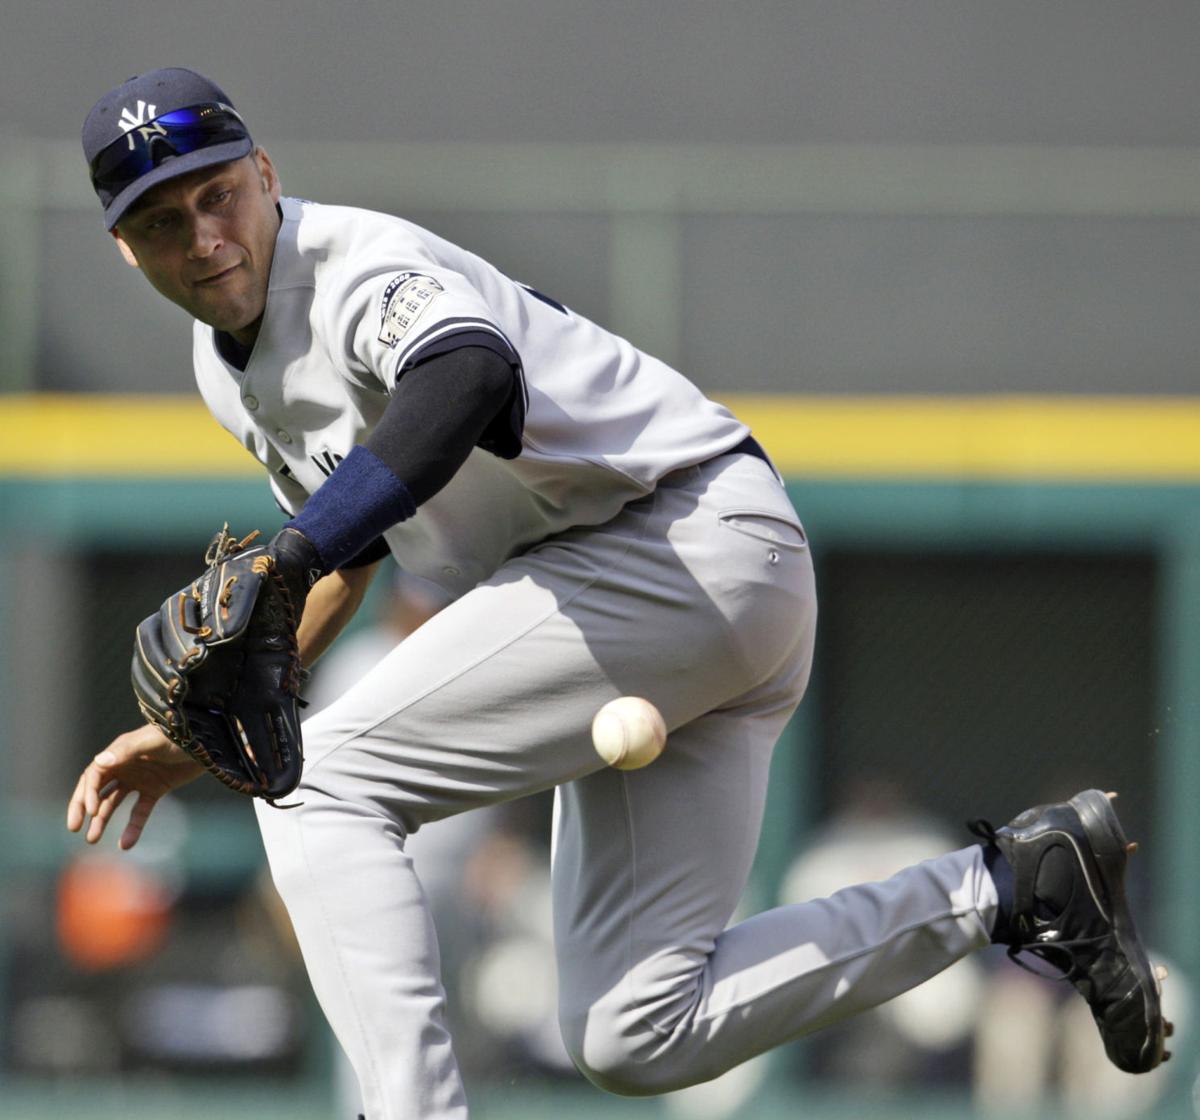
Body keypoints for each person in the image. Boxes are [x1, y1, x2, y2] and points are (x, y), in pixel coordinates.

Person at [65, 68, 1168, 1119]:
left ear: (264, 171)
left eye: (218, 194)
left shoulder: (355, 264)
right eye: (166, 221)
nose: (205, 236)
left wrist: (291, 553)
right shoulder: (226, 367)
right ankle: (1013, 883)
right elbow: (359, 542)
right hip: (656, 591)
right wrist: (192, 730)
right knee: (637, 1030)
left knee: (318, 786)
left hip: (677, 540)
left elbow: (467, 375)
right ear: (123, 248)